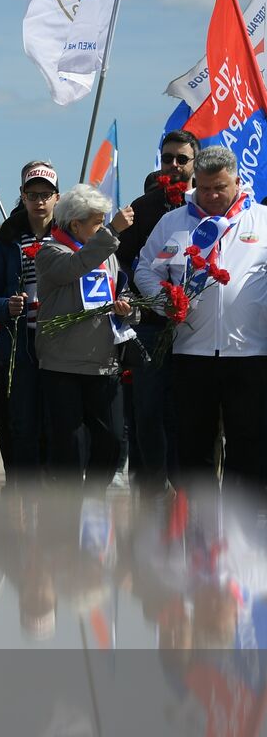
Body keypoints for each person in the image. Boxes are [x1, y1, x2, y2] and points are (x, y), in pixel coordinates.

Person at [134, 145, 267, 488]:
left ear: (237, 182)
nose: (210, 195)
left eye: (219, 188)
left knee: (247, 442)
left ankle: (241, 529)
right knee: (193, 444)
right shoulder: (174, 222)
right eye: (204, 188)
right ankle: (199, 527)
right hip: (192, 352)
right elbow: (144, 270)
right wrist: (167, 301)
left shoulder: (261, 221)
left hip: (249, 353)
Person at [35, 184, 136, 487]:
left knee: (112, 440)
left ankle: (94, 497)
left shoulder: (107, 254)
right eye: (98, 223)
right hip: (62, 365)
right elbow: (74, 268)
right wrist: (114, 232)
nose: (104, 228)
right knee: (68, 446)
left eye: (105, 222)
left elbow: (125, 294)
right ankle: (67, 511)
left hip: (103, 364)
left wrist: (127, 310)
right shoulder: (50, 251)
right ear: (75, 224)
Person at [118, 129, 198, 490]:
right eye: (168, 159)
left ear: (194, 163)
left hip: (196, 326)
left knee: (187, 411)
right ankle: (152, 487)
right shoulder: (144, 207)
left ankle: (186, 488)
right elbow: (118, 262)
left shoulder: (205, 204)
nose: (175, 166)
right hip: (150, 324)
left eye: (182, 159)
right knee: (147, 410)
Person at [0, 162, 59, 484]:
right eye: (32, 194)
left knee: (57, 422)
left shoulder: (70, 233)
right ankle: (23, 494)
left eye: (45, 194)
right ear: (22, 196)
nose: (39, 201)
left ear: (57, 197)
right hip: (20, 347)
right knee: (21, 423)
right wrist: (6, 306)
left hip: (61, 346)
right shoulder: (5, 238)